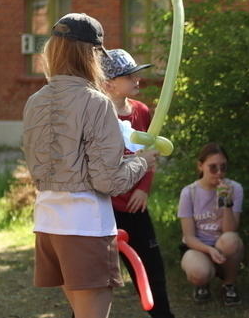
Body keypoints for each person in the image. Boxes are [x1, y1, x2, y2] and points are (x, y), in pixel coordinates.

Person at [22, 13, 158, 318]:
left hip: (48, 223)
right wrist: (142, 161)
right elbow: (108, 181)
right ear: (91, 53)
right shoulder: (96, 102)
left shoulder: (35, 100)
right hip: (85, 225)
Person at [101, 49, 175, 318]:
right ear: (109, 83)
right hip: (104, 209)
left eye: (136, 74)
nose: (137, 79)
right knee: (97, 278)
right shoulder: (98, 116)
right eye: (129, 76)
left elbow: (150, 154)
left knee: (152, 270)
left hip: (135, 206)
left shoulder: (141, 111)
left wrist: (143, 189)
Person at [177, 142, 244, 306]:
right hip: (197, 247)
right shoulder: (189, 192)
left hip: (223, 245)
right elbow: (189, 237)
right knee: (199, 272)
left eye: (223, 167)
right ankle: (203, 282)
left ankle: (229, 284)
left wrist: (226, 202)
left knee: (232, 240)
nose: (219, 173)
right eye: (213, 168)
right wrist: (209, 250)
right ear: (201, 166)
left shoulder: (235, 188)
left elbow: (230, 230)